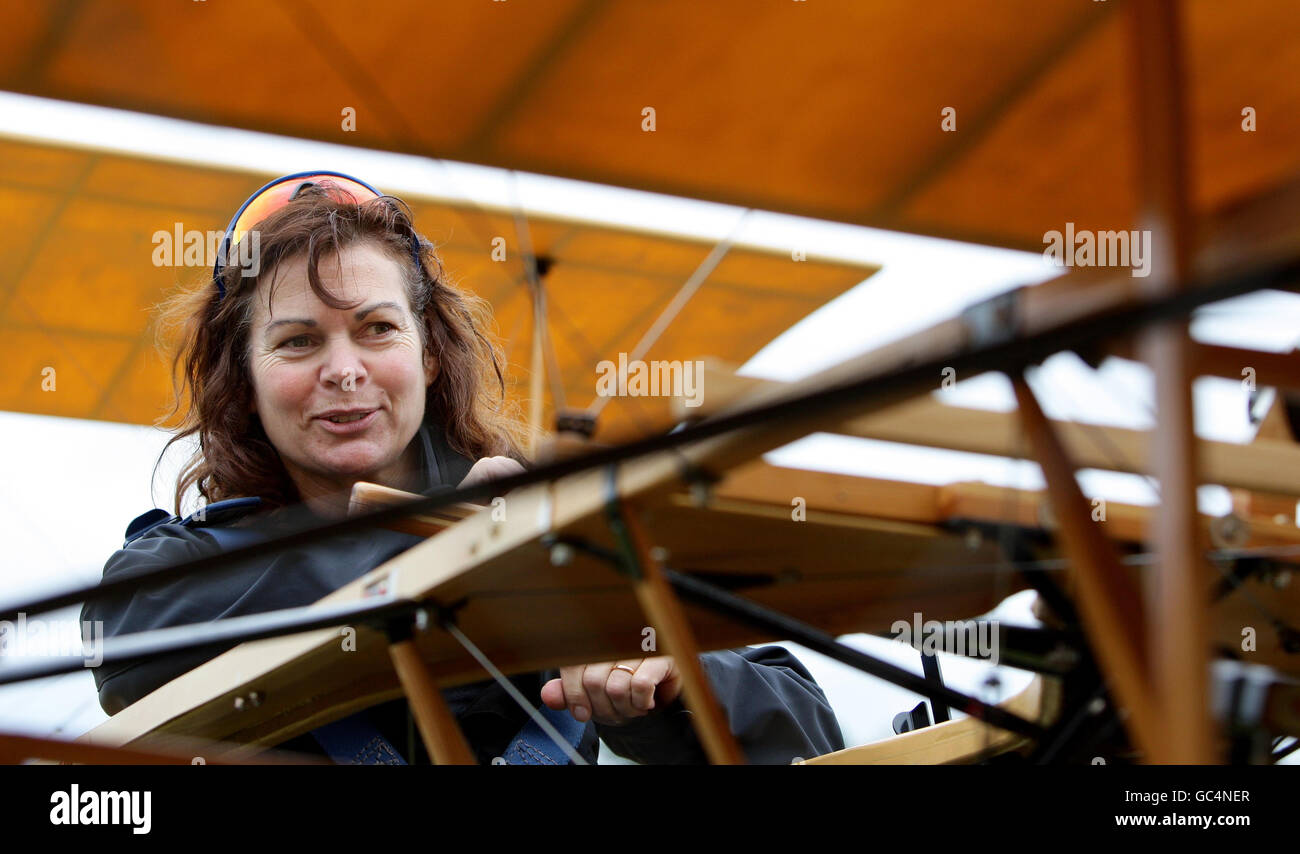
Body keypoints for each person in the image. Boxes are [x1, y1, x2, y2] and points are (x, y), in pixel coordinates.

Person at [83, 171, 845, 764]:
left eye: (377, 328)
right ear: (242, 383)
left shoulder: (559, 528)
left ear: (432, 355)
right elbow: (124, 638)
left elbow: (808, 729)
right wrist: (457, 553)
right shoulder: (181, 567)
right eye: (297, 342)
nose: (344, 370)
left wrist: (661, 684)